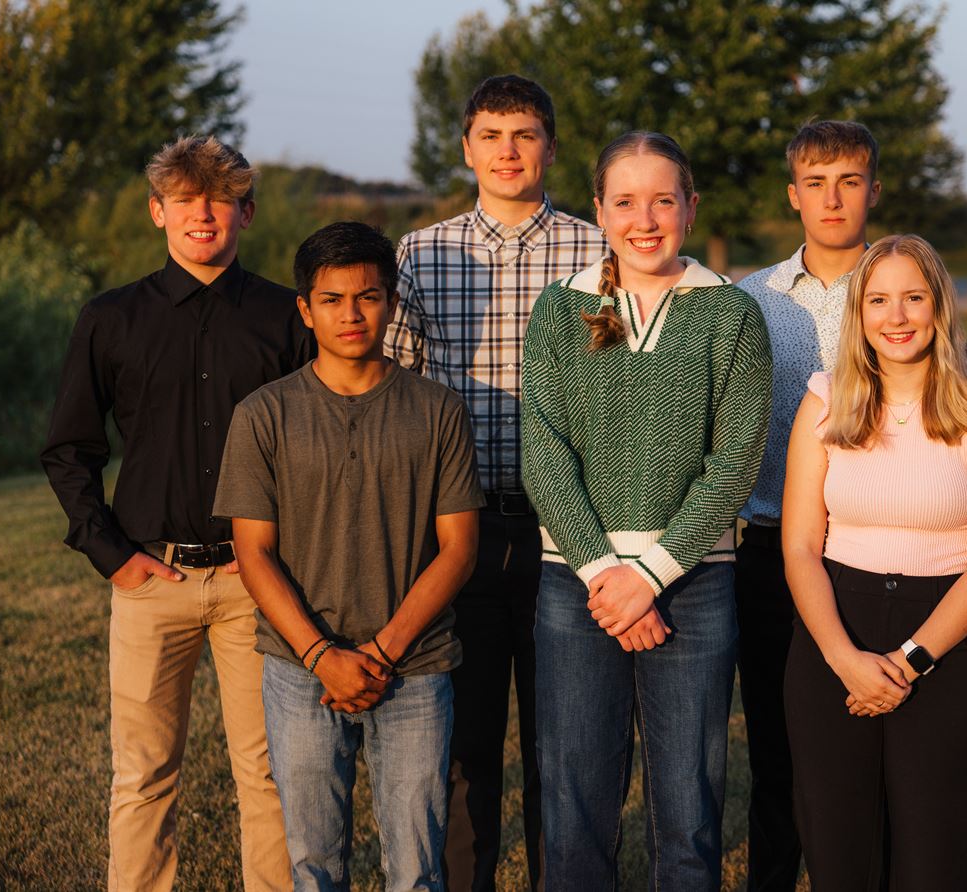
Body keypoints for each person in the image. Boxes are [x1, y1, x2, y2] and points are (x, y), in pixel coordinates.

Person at [41, 136, 309, 891]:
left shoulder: (284, 319)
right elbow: (69, 448)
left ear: (245, 213)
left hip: (257, 581)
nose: (203, 213)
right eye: (186, 199)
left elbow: (312, 449)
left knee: (269, 773)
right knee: (144, 771)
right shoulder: (110, 318)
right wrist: (113, 555)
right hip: (148, 579)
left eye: (220, 199)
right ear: (159, 211)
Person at [521, 131, 772, 888]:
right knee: (574, 811)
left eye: (664, 199)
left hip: (692, 583)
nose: (645, 218)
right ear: (598, 210)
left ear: (691, 208)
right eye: (625, 201)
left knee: (689, 813)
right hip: (578, 583)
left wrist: (651, 576)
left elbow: (734, 464)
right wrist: (608, 575)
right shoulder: (562, 309)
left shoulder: (729, 314)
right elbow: (544, 450)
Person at [213, 221, 484, 890]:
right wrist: (321, 656)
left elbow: (458, 549)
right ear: (304, 309)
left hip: (414, 665)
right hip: (300, 667)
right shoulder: (263, 414)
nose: (351, 314)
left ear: (391, 302)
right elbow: (253, 553)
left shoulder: (438, 410)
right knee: (313, 861)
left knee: (417, 867)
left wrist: (383, 652)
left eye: (367, 297)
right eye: (331, 299)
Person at [384, 74, 606, 891]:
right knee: (465, 743)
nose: (507, 151)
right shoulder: (422, 251)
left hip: (569, 529)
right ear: (467, 146)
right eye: (490, 135)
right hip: (462, 531)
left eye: (524, 135)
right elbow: (400, 388)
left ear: (550, 145)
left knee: (566, 744)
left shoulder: (596, 250)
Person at [782, 234, 967, 889]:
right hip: (836, 629)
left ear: (939, 307)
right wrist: (845, 660)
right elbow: (800, 546)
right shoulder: (825, 400)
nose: (897, 317)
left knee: (932, 854)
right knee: (838, 850)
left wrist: (908, 663)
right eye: (880, 301)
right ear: (859, 315)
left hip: (946, 637)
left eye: (913, 298)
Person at [733, 119, 881, 891]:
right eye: (816, 183)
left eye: (849, 181)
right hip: (767, 549)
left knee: (857, 752)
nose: (832, 198)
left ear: (872, 191)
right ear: (793, 196)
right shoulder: (749, 300)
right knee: (776, 753)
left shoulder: (900, 293)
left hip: (868, 557)